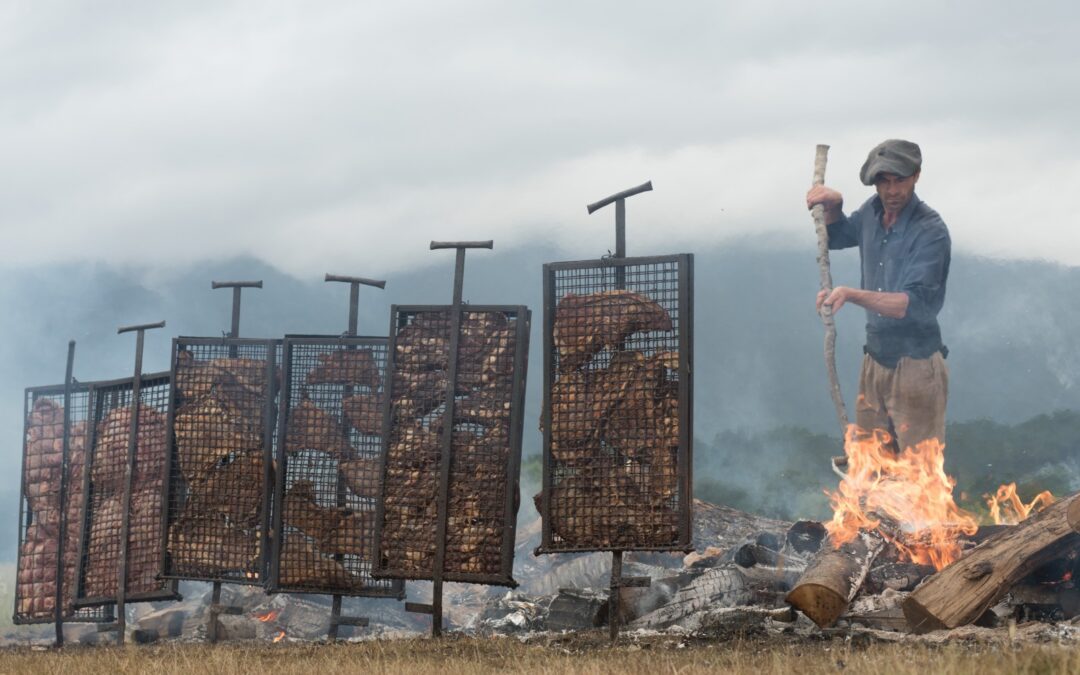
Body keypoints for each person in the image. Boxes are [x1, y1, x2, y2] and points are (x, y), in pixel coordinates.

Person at [805, 139, 951, 454]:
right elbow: (838, 236)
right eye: (884, 181)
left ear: (916, 176)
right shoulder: (872, 213)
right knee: (872, 467)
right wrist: (834, 207)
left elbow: (911, 305)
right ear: (875, 183)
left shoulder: (930, 231)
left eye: (900, 180)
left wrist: (849, 294)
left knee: (917, 471)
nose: (893, 190)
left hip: (916, 365)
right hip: (874, 359)